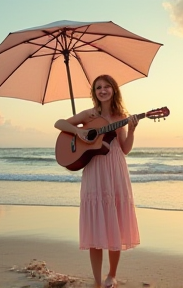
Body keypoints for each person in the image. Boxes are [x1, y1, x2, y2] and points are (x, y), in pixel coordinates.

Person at [54, 74, 140, 288]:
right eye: (98, 87)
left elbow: (126, 149)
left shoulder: (121, 116)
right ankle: (96, 280)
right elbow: (59, 123)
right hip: (94, 170)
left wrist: (131, 129)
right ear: (94, 92)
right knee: (96, 224)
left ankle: (112, 275)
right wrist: (79, 131)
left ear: (114, 90)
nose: (102, 90)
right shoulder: (89, 114)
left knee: (115, 222)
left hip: (115, 169)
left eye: (107, 86)